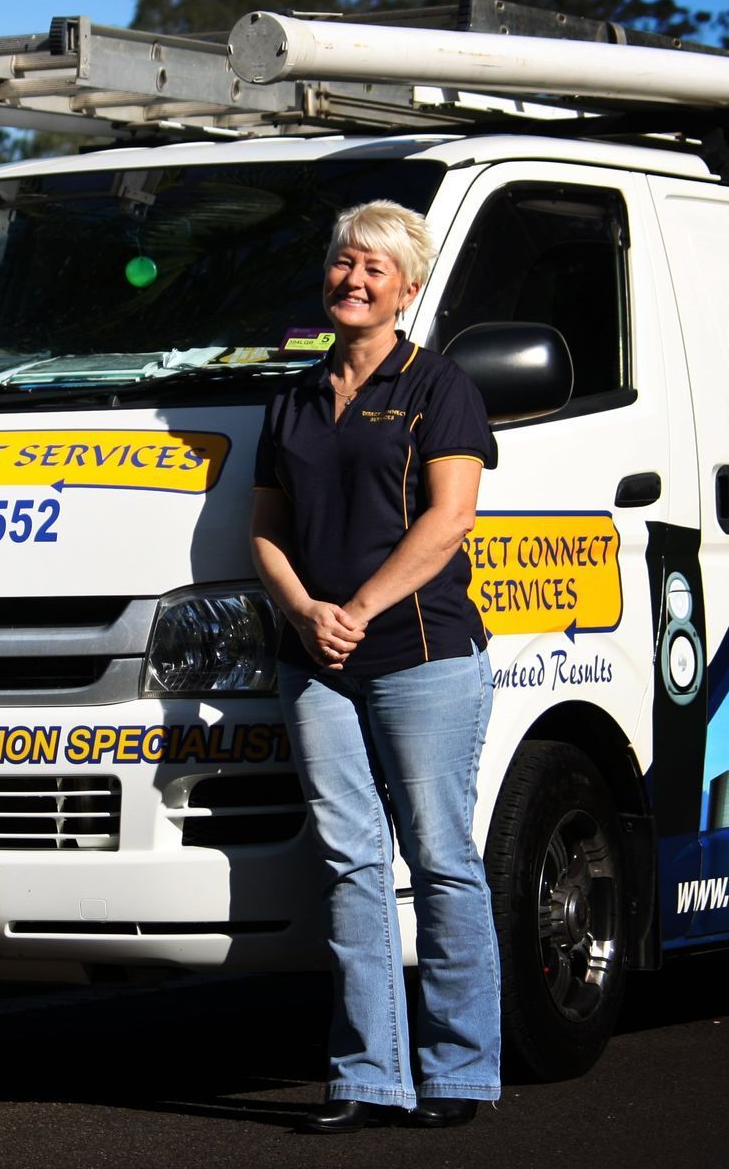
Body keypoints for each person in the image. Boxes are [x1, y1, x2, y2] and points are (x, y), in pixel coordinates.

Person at [249, 200, 500, 1133]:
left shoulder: (441, 386)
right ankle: (366, 1075)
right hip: (313, 660)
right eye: (344, 263)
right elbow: (265, 531)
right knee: (350, 862)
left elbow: (451, 520)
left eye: (375, 270)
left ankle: (462, 1071)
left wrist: (356, 609)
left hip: (421, 654)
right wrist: (307, 611)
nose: (354, 280)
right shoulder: (292, 394)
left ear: (409, 287)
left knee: (440, 858)